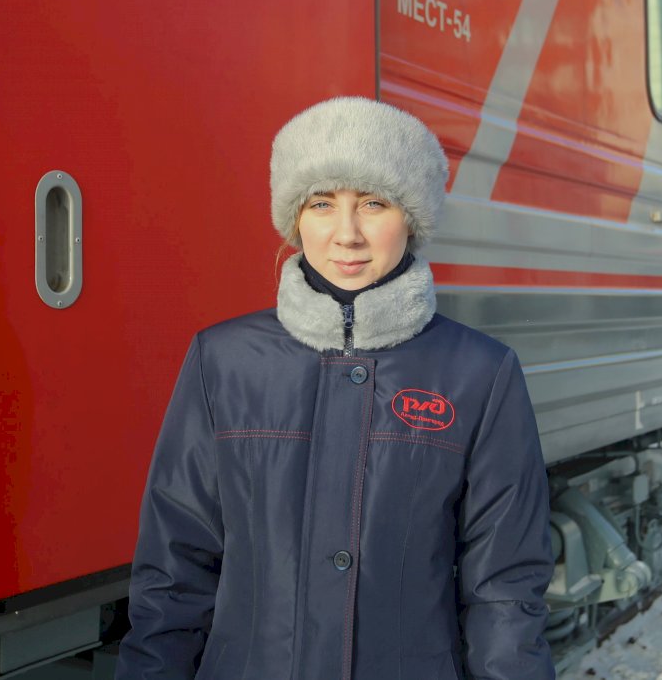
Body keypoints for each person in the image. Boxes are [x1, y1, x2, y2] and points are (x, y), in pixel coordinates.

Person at [116, 97, 555, 680]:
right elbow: (175, 567)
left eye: (373, 203)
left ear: (414, 217)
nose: (346, 234)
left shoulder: (480, 372)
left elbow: (504, 587)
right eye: (322, 203)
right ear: (295, 217)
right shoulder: (222, 360)